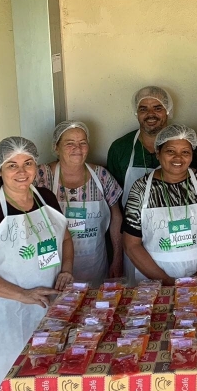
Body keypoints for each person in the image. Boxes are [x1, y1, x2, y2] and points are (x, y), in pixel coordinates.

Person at [0, 137, 73, 391]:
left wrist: (66, 269)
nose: (22, 172)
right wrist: (23, 294)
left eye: (28, 163)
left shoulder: (46, 198)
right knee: (11, 379)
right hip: (7, 314)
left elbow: (66, 238)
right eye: (12, 165)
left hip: (51, 306)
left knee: (51, 376)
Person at [123, 125, 197, 284]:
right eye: (170, 151)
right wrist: (166, 282)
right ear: (158, 153)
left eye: (185, 152)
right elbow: (131, 245)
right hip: (154, 285)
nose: (178, 158)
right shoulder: (141, 189)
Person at [35, 121, 124, 285]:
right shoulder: (41, 176)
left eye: (83, 142)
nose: (78, 148)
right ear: (56, 147)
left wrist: (117, 258)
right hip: (52, 264)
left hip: (94, 263)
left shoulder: (101, 176)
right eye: (70, 143)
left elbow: (116, 218)